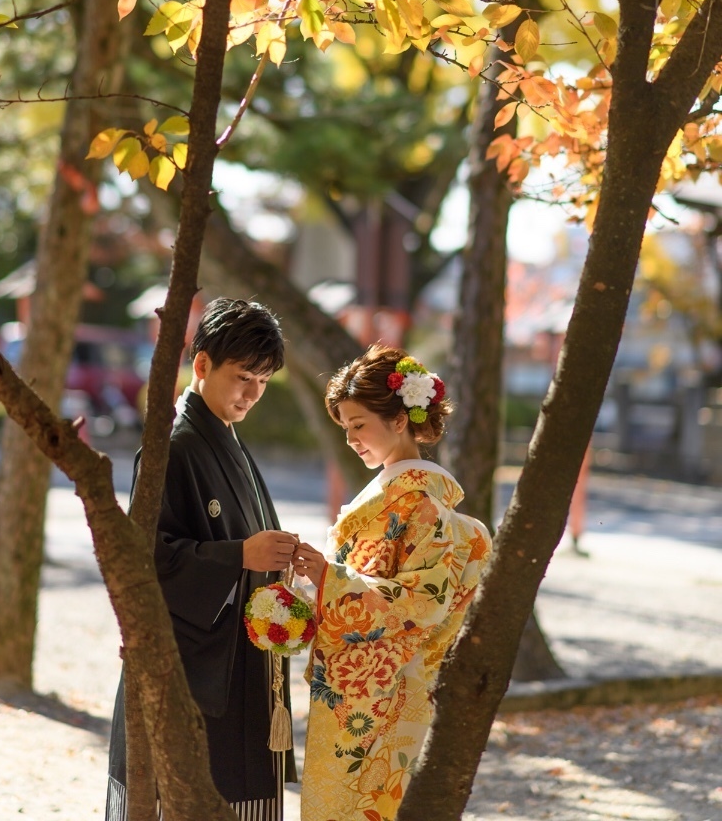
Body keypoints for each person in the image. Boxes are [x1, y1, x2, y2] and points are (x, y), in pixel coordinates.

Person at [106, 298, 299, 821]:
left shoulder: (225, 438)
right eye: (242, 378)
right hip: (192, 666)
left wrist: (276, 558)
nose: (251, 395)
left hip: (236, 658)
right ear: (203, 364)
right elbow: (146, 561)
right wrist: (241, 554)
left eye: (262, 381)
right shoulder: (175, 443)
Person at [293, 346, 491, 821]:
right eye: (345, 428)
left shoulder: (420, 503)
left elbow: (424, 603)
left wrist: (331, 580)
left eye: (359, 425)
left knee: (357, 808)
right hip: (355, 684)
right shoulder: (389, 493)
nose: (351, 439)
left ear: (399, 420)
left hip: (387, 691)